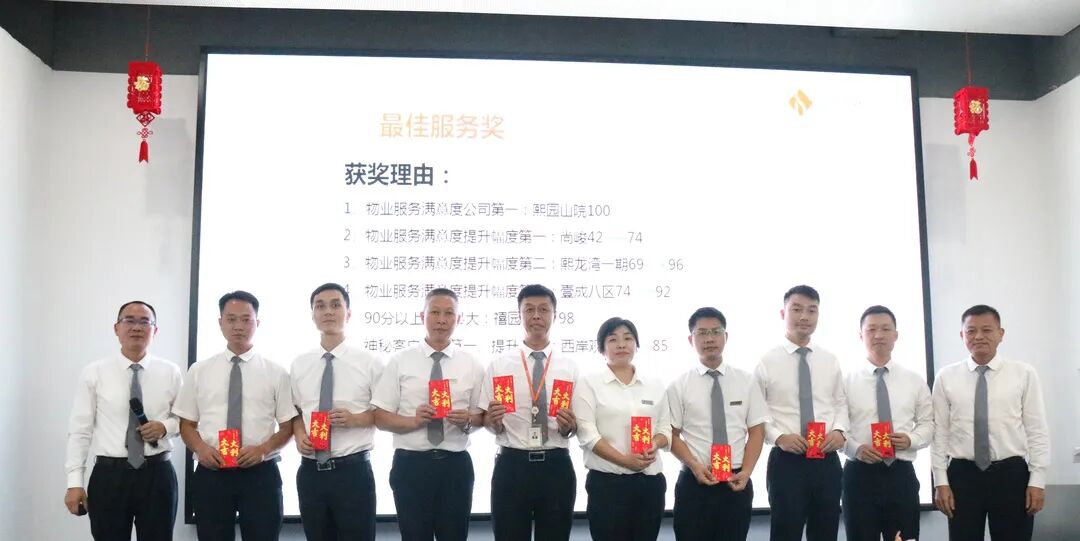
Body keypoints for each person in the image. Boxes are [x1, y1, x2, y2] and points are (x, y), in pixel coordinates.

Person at [173, 290, 296, 541]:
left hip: (260, 473)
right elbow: (187, 424)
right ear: (220, 323)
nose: (238, 326)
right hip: (212, 471)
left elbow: (287, 427)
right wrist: (201, 449)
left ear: (257, 323)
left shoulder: (276, 372)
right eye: (231, 319)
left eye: (245, 319)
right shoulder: (199, 370)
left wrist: (263, 449)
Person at [371, 288, 484, 541]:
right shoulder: (400, 361)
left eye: (449, 313)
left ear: (458, 319)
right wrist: (413, 421)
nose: (441, 320)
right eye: (435, 312)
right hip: (411, 465)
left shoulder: (471, 363)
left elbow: (481, 417)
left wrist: (467, 420)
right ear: (422, 316)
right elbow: (380, 417)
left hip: (455, 466)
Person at [64, 300, 183, 541]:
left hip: (157, 474)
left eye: (145, 322)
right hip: (109, 476)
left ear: (155, 330)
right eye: (129, 320)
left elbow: (185, 420)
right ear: (116, 328)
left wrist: (165, 427)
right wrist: (74, 482)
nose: (136, 327)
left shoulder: (170, 372)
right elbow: (80, 431)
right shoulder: (94, 372)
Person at [931, 304, 1049, 541]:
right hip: (962, 476)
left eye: (986, 330)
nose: (978, 336)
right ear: (962, 335)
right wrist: (940, 481)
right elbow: (939, 433)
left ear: (1000, 333)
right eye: (971, 331)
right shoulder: (946, 376)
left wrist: (1038, 481)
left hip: (1011, 474)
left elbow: (1037, 431)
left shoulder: (1024, 374)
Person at [481, 284, 580, 541]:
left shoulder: (569, 367)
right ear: (519, 315)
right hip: (512, 465)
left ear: (555, 315)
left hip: (556, 465)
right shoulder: (500, 365)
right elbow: (485, 419)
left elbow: (578, 424)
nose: (536, 315)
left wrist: (569, 426)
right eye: (529, 309)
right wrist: (492, 422)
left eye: (544, 309)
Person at [754, 284, 848, 541]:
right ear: (783, 314)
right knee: (785, 532)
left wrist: (840, 431)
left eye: (811, 310)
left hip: (826, 459)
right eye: (796, 309)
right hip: (787, 461)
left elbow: (840, 403)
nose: (804, 316)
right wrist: (779, 437)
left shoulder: (829, 360)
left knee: (825, 532)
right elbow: (756, 413)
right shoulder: (767, 361)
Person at [290, 283, 383, 541]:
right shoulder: (299, 364)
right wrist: (299, 435)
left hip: (352, 472)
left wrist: (356, 419)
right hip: (311, 472)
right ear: (312, 315)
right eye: (320, 306)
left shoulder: (370, 362)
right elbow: (295, 412)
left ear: (348, 313)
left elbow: (386, 414)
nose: (328, 311)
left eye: (335, 305)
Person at [667, 307, 768, 541]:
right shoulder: (679, 385)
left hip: (736, 481)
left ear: (726, 336)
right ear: (691, 340)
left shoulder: (746, 381)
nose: (709, 339)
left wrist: (747, 471)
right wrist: (694, 465)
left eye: (715, 332)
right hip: (695, 481)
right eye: (702, 333)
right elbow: (671, 434)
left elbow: (756, 431)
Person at [573, 317, 670, 541]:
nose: (621, 344)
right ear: (602, 348)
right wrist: (624, 460)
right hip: (608, 484)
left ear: (636, 345)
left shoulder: (655, 384)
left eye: (628, 338)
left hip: (650, 483)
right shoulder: (589, 383)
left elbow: (666, 428)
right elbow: (587, 433)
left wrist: (654, 443)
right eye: (612, 339)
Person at [841, 305, 932, 541]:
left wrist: (911, 439)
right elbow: (836, 427)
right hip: (859, 475)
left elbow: (928, 424)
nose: (878, 335)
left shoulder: (914, 380)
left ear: (896, 335)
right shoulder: (845, 382)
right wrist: (855, 448)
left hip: (900, 475)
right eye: (871, 329)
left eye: (885, 329)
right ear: (861, 335)